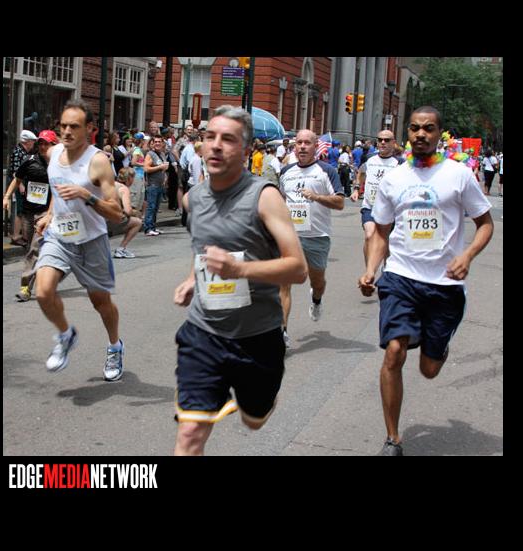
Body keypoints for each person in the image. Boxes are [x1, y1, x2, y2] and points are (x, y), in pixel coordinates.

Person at [172, 105, 308, 456]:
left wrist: (240, 270)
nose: (216, 145)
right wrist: (192, 279)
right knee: (190, 433)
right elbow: (203, 249)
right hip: (203, 333)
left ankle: (255, 400)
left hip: (256, 338)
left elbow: (297, 268)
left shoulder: (264, 197)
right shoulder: (194, 198)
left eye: (228, 139)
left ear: (246, 151)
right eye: (210, 137)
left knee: (254, 419)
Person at [358, 106, 494, 456]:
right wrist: (371, 269)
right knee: (393, 352)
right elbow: (381, 233)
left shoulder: (459, 175)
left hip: (445, 285)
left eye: (428, 128)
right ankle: (393, 439)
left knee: (429, 369)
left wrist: (467, 256)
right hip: (401, 277)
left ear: (439, 134)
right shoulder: (393, 179)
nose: (421, 134)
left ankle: (436, 347)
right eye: (415, 128)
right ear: (408, 133)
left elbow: (485, 224)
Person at [34, 99, 126, 382]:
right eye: (63, 125)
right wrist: (50, 214)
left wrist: (86, 195)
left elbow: (117, 213)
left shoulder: (97, 161)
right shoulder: (53, 154)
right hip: (60, 237)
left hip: (92, 241)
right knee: (43, 292)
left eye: (74, 126)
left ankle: (114, 346)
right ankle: (66, 335)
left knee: (101, 302)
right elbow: (57, 190)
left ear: (89, 129)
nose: (67, 131)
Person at [278, 129, 345, 347]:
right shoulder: (286, 172)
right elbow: (279, 201)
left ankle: (316, 299)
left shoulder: (326, 171)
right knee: (283, 285)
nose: (302, 147)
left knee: (317, 282)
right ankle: (282, 332)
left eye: (307, 143)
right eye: (299, 143)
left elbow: (340, 202)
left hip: (317, 236)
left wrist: (315, 197)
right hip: (290, 236)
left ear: (316, 146)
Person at [2, 130, 58, 302]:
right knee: (30, 249)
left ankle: (25, 288)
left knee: (34, 248)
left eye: (46, 143)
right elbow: (17, 179)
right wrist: (6, 197)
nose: (42, 146)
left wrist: (50, 214)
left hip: (45, 213)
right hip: (28, 211)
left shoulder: (59, 165)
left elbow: (58, 191)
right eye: (40, 143)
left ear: (54, 145)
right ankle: (45, 274)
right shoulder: (30, 160)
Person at [351, 129, 404, 271]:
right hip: (370, 206)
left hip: (390, 210)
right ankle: (370, 270)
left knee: (386, 242)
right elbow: (361, 173)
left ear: (393, 143)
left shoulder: (400, 163)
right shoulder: (369, 159)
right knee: (369, 236)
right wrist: (356, 189)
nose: (383, 142)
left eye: (387, 140)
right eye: (380, 140)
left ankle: (387, 269)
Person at [7, 130, 38, 246]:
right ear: (27, 141)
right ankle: (16, 236)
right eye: (32, 141)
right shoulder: (18, 152)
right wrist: (20, 186)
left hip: (24, 183)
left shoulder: (23, 152)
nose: (33, 144)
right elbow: (16, 172)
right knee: (20, 210)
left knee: (24, 210)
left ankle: (24, 235)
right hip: (20, 184)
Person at [111, 167, 142, 258]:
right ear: (129, 178)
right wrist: (136, 213)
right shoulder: (124, 189)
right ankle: (121, 249)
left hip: (101, 216)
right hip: (112, 218)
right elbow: (128, 211)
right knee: (137, 222)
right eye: (133, 178)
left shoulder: (111, 184)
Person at [143, 134, 169, 236]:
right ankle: (148, 228)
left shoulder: (162, 154)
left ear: (162, 143)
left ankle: (153, 227)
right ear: (153, 144)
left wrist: (165, 176)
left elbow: (163, 168)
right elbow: (146, 168)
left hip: (160, 185)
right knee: (151, 206)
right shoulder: (150, 154)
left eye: (159, 142)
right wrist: (160, 167)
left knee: (156, 208)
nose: (157, 143)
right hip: (152, 185)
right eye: (156, 142)